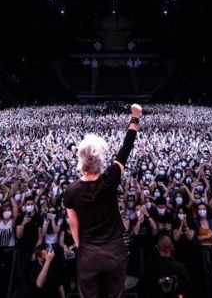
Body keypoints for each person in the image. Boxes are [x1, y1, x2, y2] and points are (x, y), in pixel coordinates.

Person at [64, 104, 143, 298]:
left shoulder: (71, 191)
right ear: (101, 160)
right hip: (114, 253)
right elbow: (125, 150)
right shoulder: (110, 179)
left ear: (80, 160)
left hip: (88, 254)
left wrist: (81, 247)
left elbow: (73, 224)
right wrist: (134, 119)